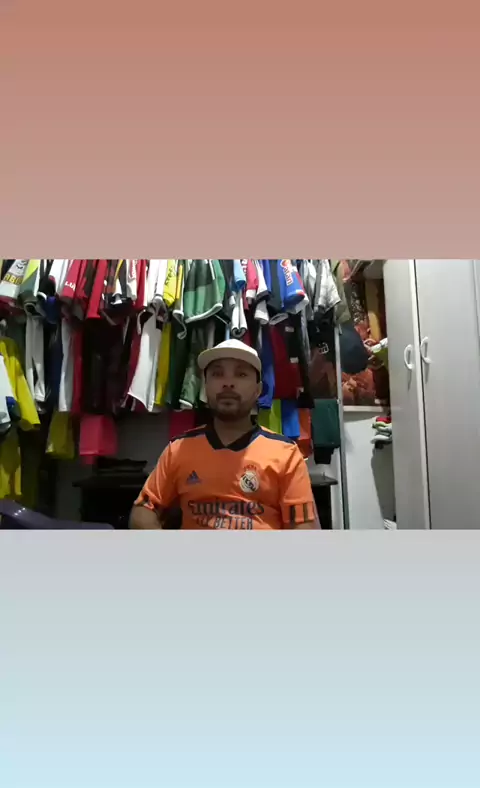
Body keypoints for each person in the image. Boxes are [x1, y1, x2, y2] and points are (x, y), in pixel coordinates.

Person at [129, 339, 316, 530]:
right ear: (205, 386)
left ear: (258, 390)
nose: (228, 383)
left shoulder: (286, 454)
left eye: (241, 374)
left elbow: (304, 528)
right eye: (217, 374)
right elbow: (143, 510)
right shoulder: (178, 450)